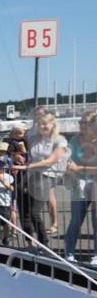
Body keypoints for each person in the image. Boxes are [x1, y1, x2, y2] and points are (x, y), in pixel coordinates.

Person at [25, 111, 68, 236]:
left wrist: (29, 166)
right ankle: (34, 238)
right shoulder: (35, 139)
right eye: (39, 124)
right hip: (33, 176)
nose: (42, 126)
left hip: (48, 176)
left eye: (45, 124)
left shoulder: (60, 140)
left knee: (35, 211)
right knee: (28, 210)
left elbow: (51, 161)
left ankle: (45, 237)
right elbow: (31, 156)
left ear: (53, 124)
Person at [64, 110, 97, 264]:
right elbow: (68, 159)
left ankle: (96, 255)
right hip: (80, 184)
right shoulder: (75, 140)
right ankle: (69, 253)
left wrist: (79, 168)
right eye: (80, 122)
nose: (81, 125)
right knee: (76, 220)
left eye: (85, 122)